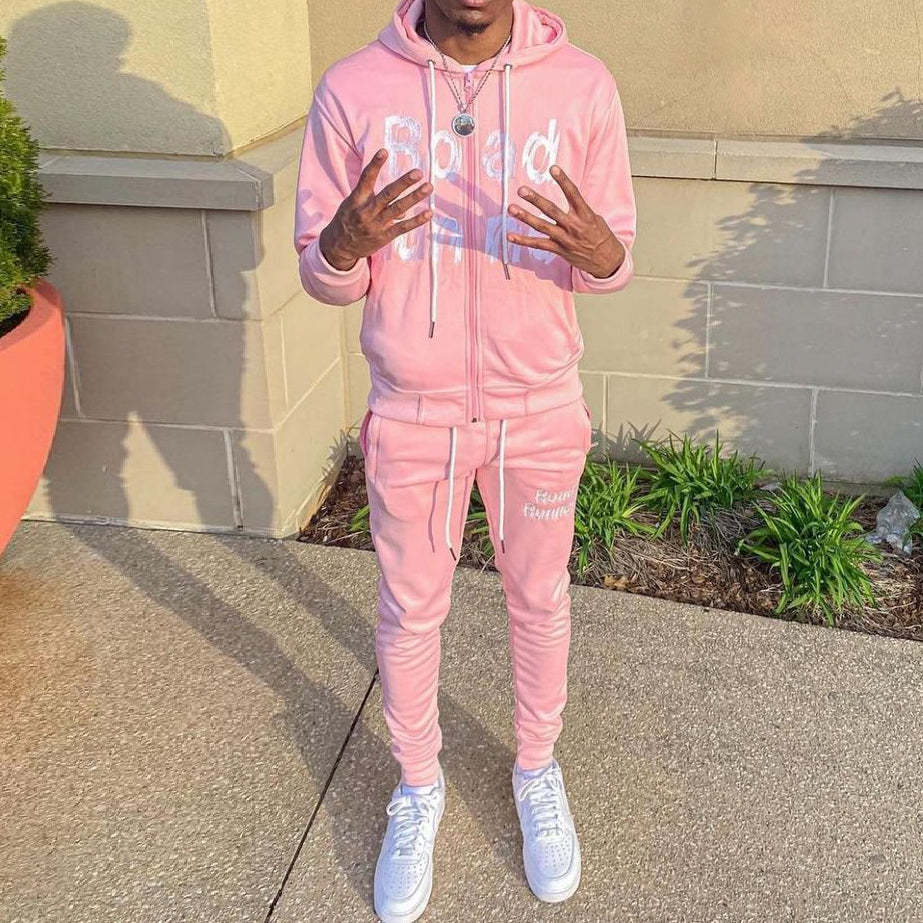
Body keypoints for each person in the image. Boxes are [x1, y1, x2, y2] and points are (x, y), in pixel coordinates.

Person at [294, 0, 636, 917]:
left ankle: (535, 767)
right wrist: (341, 247)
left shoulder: (582, 85)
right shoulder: (352, 89)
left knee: (540, 596)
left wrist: (603, 256)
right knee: (410, 608)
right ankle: (418, 784)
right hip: (414, 413)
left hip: (538, 407)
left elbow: (613, 258)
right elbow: (321, 271)